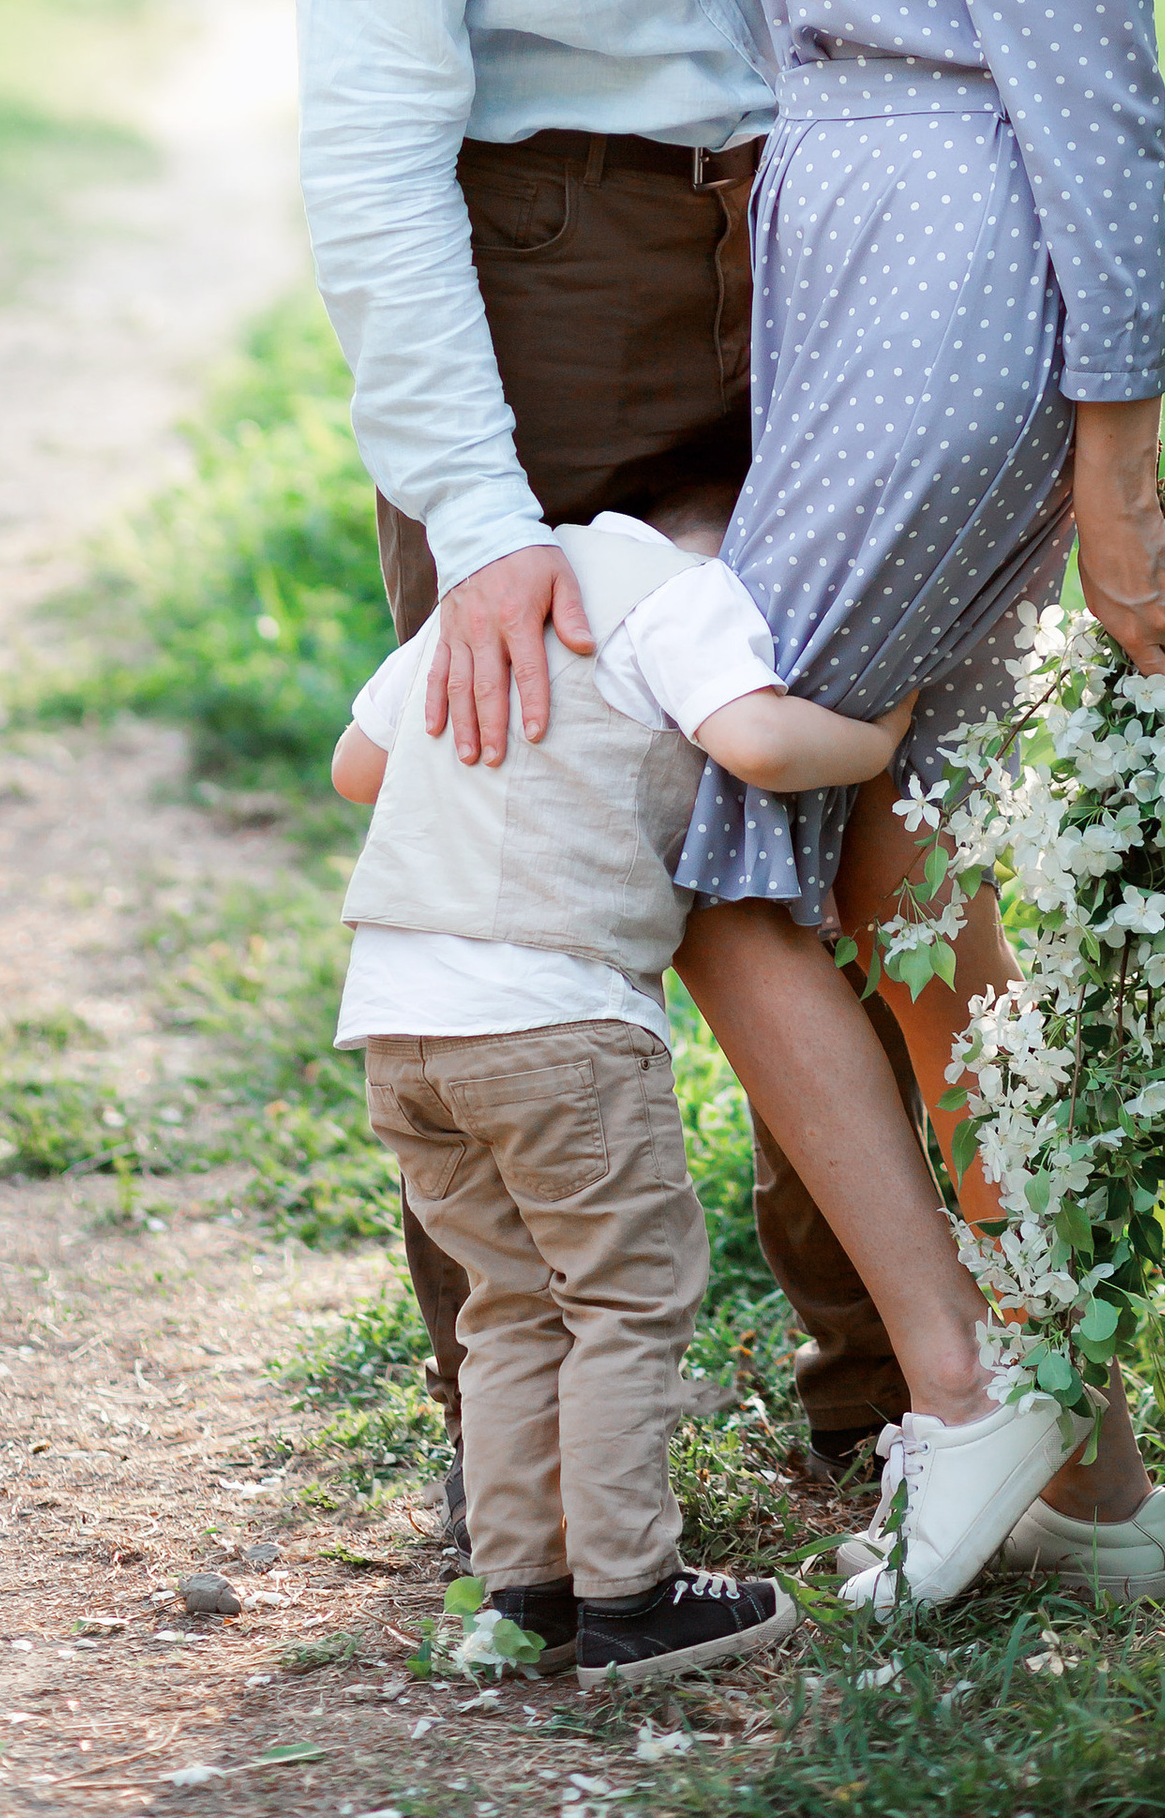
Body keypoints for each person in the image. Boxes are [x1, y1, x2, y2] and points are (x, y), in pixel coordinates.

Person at [276, 0, 916, 1527]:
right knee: (505, 805)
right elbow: (368, 131)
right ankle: (524, 1464)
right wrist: (476, 522)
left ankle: (884, 1399)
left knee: (840, 798)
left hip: (810, 197)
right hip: (535, 244)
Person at [648, 0, 1165, 1610]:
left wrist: (1112, 475)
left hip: (970, 331)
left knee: (713, 849)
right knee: (896, 872)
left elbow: (1101, 128)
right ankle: (1097, 1485)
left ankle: (961, 1396)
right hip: (857, 317)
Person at [331, 494, 913, 1684]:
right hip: (555, 1020)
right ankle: (632, 1596)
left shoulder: (490, 593)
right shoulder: (685, 594)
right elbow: (757, 742)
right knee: (623, 1298)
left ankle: (525, 1592)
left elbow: (356, 769)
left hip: (400, 1021)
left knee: (505, 1303)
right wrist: (875, 732)